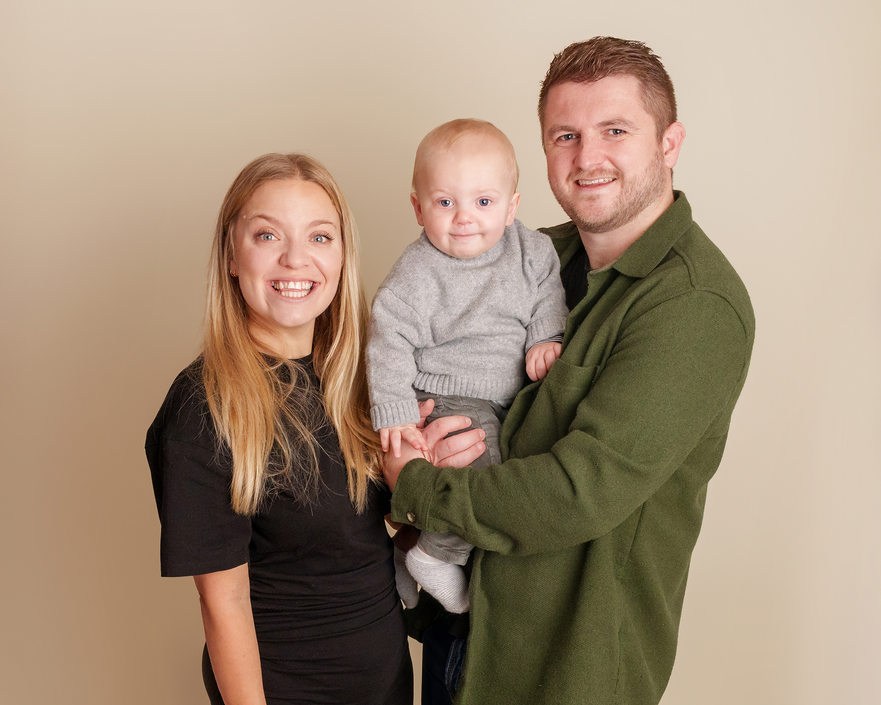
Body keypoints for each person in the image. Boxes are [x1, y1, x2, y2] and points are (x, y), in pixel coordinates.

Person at [383, 37, 756, 705]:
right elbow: (400, 358)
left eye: (614, 130)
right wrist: (405, 436)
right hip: (461, 639)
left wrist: (413, 484)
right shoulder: (519, 256)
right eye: (564, 135)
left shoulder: (694, 304)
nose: (586, 158)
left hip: (565, 672)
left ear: (668, 143)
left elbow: (577, 490)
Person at [146, 153, 478, 705]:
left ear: (343, 255)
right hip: (284, 688)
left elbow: (354, 539)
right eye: (268, 236)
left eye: (320, 237)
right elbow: (222, 602)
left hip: (386, 678)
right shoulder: (205, 405)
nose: (296, 259)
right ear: (232, 254)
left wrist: (422, 480)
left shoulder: (366, 378)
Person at [366, 119, 568, 616]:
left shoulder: (532, 251)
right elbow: (386, 338)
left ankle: (405, 549)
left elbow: (548, 293)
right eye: (444, 202)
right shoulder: (415, 274)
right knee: (485, 467)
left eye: (483, 202)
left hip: (507, 395)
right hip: (447, 397)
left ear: (512, 206)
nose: (464, 218)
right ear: (417, 207)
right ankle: (435, 557)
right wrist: (393, 410)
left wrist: (547, 336)